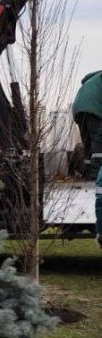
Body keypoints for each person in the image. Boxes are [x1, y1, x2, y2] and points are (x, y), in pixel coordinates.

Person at [72, 71, 102, 248]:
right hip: (95, 109)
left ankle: (90, 171)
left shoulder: (94, 78)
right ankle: (96, 174)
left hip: (79, 107)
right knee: (99, 146)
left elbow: (83, 77)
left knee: (89, 146)